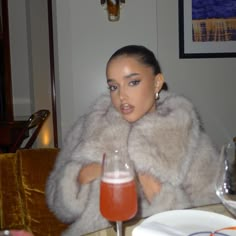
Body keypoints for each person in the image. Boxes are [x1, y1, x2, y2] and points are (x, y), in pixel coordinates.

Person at [46, 45, 221, 236]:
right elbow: (58, 205)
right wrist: (81, 175)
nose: (121, 96)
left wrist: (156, 192)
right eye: (114, 86)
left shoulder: (188, 139)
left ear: (157, 83)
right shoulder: (88, 127)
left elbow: (208, 218)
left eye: (133, 82)